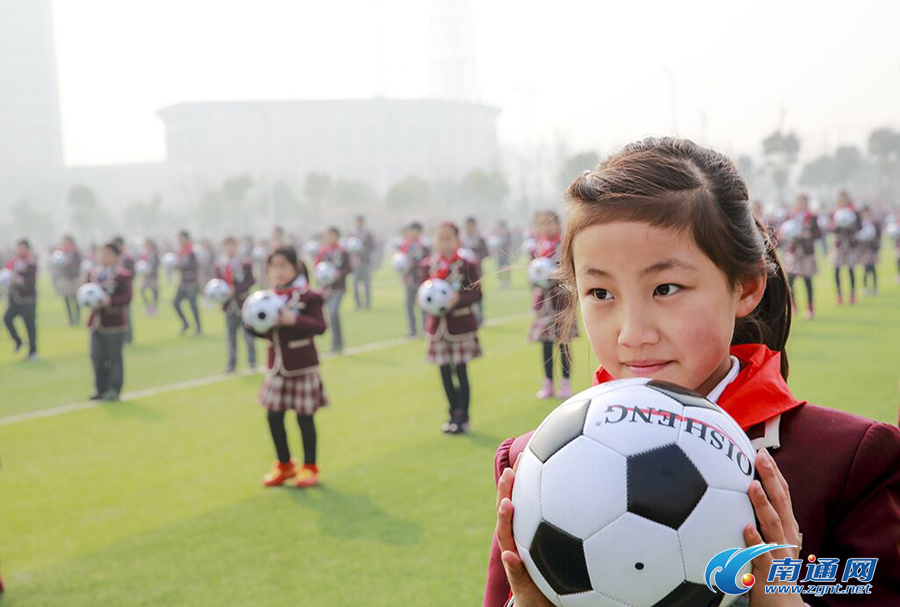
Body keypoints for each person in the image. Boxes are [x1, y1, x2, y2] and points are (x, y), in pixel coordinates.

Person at [483, 138, 900, 607]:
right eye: (600, 293)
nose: (632, 333)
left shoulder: (845, 461)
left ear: (745, 286)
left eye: (666, 288)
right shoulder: (531, 465)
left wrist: (784, 598)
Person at [247, 247, 327, 488]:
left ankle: (309, 467)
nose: (278, 272)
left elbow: (320, 326)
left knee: (305, 418)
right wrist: (251, 321)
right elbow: (258, 330)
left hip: (302, 366)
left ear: (296, 267)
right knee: (273, 416)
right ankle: (284, 464)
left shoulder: (308, 297)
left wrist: (295, 320)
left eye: (283, 266)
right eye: (274, 267)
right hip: (277, 367)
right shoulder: (264, 298)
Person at [422, 222, 483, 435]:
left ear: (458, 241)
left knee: (461, 372)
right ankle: (451, 413)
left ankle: (462, 417)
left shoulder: (466, 265)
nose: (444, 243)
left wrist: (457, 299)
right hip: (438, 328)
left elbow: (477, 294)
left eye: (448, 238)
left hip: (460, 327)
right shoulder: (428, 266)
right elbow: (422, 293)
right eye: (440, 238)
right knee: (444, 373)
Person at [528, 211, 577, 399]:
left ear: (558, 224)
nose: (545, 227)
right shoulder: (536, 248)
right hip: (543, 303)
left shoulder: (563, 245)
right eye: (541, 224)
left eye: (549, 223)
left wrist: (554, 274)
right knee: (546, 344)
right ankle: (548, 382)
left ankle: (565, 382)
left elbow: (570, 270)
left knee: (563, 343)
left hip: (561, 300)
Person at [85, 242, 134, 402]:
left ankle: (114, 389)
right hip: (96, 322)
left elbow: (127, 297)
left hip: (114, 323)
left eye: (107, 254)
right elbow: (85, 292)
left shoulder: (122, 275)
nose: (103, 257)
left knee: (114, 357)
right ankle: (101, 389)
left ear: (116, 257)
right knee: (96, 356)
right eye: (102, 254)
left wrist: (110, 301)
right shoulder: (92, 274)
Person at [215, 236, 257, 373]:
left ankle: (252, 362)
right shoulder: (220, 266)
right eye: (227, 246)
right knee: (231, 337)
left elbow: (251, 281)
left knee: (249, 336)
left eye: (232, 246)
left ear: (237, 247)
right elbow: (217, 284)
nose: (230, 249)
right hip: (229, 306)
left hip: (243, 304)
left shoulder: (245, 264)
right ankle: (231, 364)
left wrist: (236, 289)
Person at [781, 194, 821, 320]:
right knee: (790, 280)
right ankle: (793, 305)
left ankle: (810, 308)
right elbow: (782, 231)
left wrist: (808, 234)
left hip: (806, 253)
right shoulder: (790, 216)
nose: (801, 204)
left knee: (807, 281)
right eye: (799, 202)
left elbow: (818, 233)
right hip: (793, 253)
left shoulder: (812, 217)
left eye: (804, 202)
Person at [314, 227, 351, 354]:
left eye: (331, 235)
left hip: (338, 288)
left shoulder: (342, 251)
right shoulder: (323, 252)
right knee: (325, 315)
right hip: (325, 289)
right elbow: (316, 267)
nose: (329, 238)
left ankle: (337, 343)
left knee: (333, 313)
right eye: (327, 236)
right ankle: (335, 343)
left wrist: (339, 274)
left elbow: (348, 268)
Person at [4, 239, 38, 360]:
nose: (19, 250)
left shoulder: (31, 262)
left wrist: (17, 280)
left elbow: (30, 282)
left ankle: (33, 352)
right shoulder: (13, 262)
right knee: (7, 319)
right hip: (15, 300)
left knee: (30, 326)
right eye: (18, 248)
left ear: (27, 249)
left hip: (28, 300)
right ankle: (18, 341)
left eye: (22, 248)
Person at [830, 191, 862, 306]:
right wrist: (837, 226)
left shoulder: (853, 212)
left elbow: (859, 226)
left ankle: (852, 294)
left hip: (850, 244)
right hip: (839, 244)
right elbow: (831, 228)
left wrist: (851, 225)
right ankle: (839, 294)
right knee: (837, 269)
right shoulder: (835, 212)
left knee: (851, 269)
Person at [400, 222, 431, 337]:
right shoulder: (406, 245)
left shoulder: (424, 245)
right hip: (409, 280)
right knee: (409, 305)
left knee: (423, 305)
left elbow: (427, 261)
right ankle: (412, 330)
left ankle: (426, 329)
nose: (412, 233)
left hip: (421, 279)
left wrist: (412, 264)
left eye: (414, 231)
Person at [173, 230, 202, 335]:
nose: (179, 241)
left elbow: (194, 265)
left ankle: (199, 327)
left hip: (192, 283)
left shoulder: (193, 250)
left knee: (193, 305)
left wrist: (180, 267)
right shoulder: (181, 251)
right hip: (183, 283)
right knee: (175, 303)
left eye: (181, 238)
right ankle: (186, 323)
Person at [463, 217, 490, 325]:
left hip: (477, 270)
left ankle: (480, 318)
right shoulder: (463, 239)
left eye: (470, 226)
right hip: (464, 271)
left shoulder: (480, 239)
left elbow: (486, 253)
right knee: (465, 292)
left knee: (477, 292)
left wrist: (476, 256)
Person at [112, 237, 136, 344]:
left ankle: (128, 337)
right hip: (115, 291)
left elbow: (131, 275)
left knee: (126, 314)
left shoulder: (127, 259)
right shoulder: (114, 259)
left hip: (125, 291)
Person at [350, 214, 377, 310]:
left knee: (366, 284)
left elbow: (373, 246)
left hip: (365, 262)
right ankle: (358, 304)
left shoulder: (367, 234)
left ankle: (367, 304)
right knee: (355, 284)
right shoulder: (352, 234)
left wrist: (364, 250)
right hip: (355, 263)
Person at [56, 235, 83, 326]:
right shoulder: (61, 253)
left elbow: (77, 266)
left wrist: (68, 265)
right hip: (65, 279)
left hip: (74, 278)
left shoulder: (76, 252)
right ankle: (70, 319)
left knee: (76, 299)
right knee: (66, 299)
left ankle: (77, 318)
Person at [858, 207, 881, 296]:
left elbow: (878, 236)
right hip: (864, 249)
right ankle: (865, 287)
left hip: (872, 248)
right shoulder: (861, 223)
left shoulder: (874, 223)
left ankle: (874, 287)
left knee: (873, 268)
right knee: (865, 269)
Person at [140, 239, 161, 315]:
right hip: (146, 276)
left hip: (153, 276)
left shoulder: (155, 254)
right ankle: (148, 306)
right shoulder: (145, 254)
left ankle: (153, 307)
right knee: (142, 290)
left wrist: (151, 269)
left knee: (154, 291)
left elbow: (157, 264)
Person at [492, 220, 513, 288]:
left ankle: (507, 281)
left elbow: (509, 243)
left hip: (506, 254)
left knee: (507, 268)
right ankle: (500, 281)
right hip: (499, 255)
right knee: (499, 268)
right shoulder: (497, 234)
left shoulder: (507, 234)